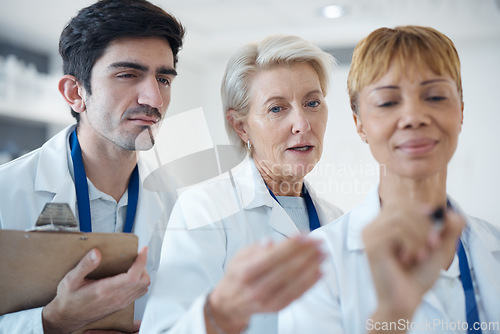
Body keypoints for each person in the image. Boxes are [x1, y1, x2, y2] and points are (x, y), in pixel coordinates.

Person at [279, 25, 500, 334]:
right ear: (360, 124)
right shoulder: (316, 266)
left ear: (460, 111)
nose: (413, 116)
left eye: (435, 96)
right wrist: (391, 315)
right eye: (387, 102)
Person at [0, 0, 184, 332]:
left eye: (164, 79)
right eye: (128, 74)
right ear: (75, 92)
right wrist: (52, 321)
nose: (154, 99)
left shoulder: (177, 204)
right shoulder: (6, 192)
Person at [139, 34, 343, 334]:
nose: (302, 123)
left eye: (312, 103)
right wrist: (222, 312)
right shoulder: (204, 210)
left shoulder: (337, 220)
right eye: (277, 108)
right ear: (241, 126)